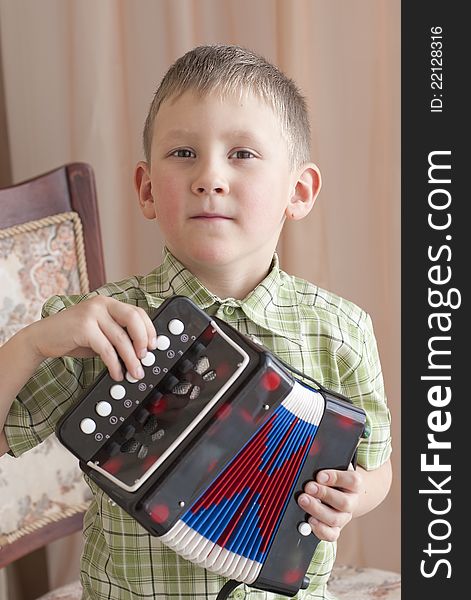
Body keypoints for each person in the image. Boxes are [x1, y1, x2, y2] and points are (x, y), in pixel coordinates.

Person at [0, 44, 392, 599]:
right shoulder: (102, 325)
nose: (210, 176)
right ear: (146, 188)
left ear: (298, 192)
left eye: (243, 154)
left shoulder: (342, 331)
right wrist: (34, 343)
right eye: (183, 152)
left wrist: (355, 495)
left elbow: (378, 466)